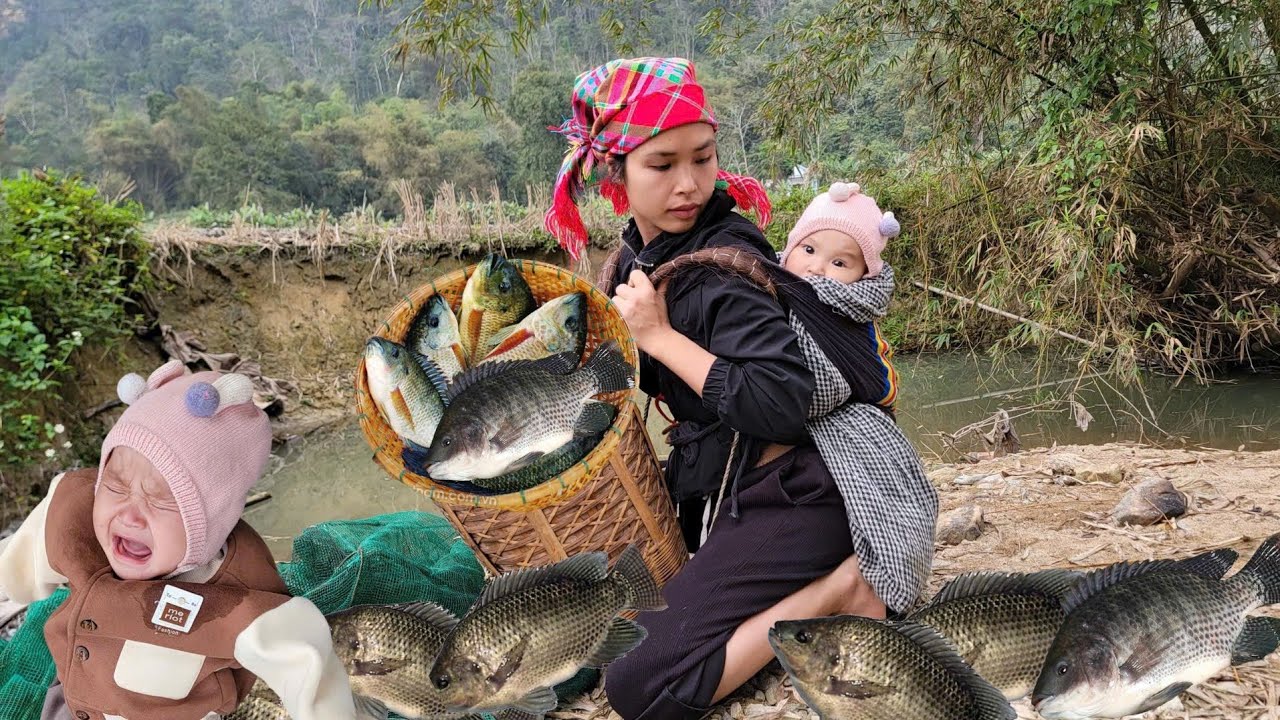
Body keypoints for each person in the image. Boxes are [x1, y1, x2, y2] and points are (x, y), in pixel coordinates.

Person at [543, 57, 887, 720]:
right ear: (616, 171)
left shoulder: (721, 269)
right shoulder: (642, 254)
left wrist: (659, 336)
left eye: (703, 158)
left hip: (801, 492)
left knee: (637, 684)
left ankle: (844, 589)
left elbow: (784, 400)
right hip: (737, 486)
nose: (690, 183)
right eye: (662, 164)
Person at [0, 360, 356, 720]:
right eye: (116, 486)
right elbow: (28, 551)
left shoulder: (239, 596)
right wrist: (16, 580)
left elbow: (309, 661)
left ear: (211, 522)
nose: (130, 515)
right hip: (71, 700)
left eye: (162, 500)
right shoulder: (75, 514)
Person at [778, 180, 937, 618]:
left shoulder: (852, 311)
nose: (817, 269)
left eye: (839, 262)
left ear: (863, 274)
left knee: (887, 500)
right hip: (794, 430)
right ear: (791, 246)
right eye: (808, 250)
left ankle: (871, 575)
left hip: (853, 420)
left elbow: (878, 378)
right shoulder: (769, 289)